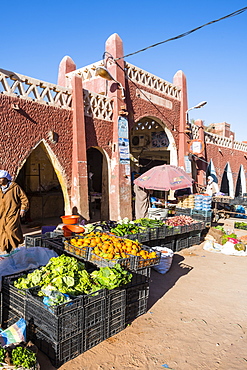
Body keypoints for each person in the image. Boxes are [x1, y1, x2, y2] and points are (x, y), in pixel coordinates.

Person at [0, 170, 29, 253]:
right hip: (2, 215)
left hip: (12, 213)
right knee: (3, 232)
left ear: (6, 179)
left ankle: (15, 248)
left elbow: (24, 199)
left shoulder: (15, 187)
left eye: (1, 179)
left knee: (11, 230)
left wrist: (23, 209)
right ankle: (7, 250)